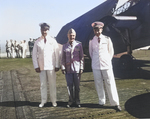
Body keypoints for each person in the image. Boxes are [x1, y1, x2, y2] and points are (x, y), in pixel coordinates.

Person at [89, 21, 121, 111]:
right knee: (98, 83)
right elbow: (91, 54)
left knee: (110, 83)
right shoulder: (91, 41)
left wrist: (106, 60)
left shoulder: (107, 39)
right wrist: (97, 61)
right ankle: (101, 101)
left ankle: (115, 103)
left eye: (99, 29)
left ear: (102, 29)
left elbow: (111, 52)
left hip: (106, 65)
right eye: (95, 30)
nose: (97, 31)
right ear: (94, 31)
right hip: (96, 65)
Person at [32, 23, 60, 107]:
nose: (44, 31)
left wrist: (57, 65)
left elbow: (57, 53)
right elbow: (34, 55)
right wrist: (36, 66)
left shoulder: (53, 40)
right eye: (43, 29)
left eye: (46, 29)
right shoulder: (37, 42)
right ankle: (43, 101)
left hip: (51, 66)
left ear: (48, 30)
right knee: (43, 84)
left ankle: (53, 101)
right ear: (40, 30)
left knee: (52, 84)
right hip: (42, 66)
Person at [61, 28, 84, 108]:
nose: (72, 37)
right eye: (70, 35)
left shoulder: (79, 45)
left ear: (75, 36)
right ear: (68, 36)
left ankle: (77, 101)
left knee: (77, 87)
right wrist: (63, 68)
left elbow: (81, 57)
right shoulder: (64, 46)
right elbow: (63, 58)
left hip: (77, 69)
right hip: (68, 69)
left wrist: (81, 68)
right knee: (69, 86)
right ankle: (71, 100)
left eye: (73, 35)